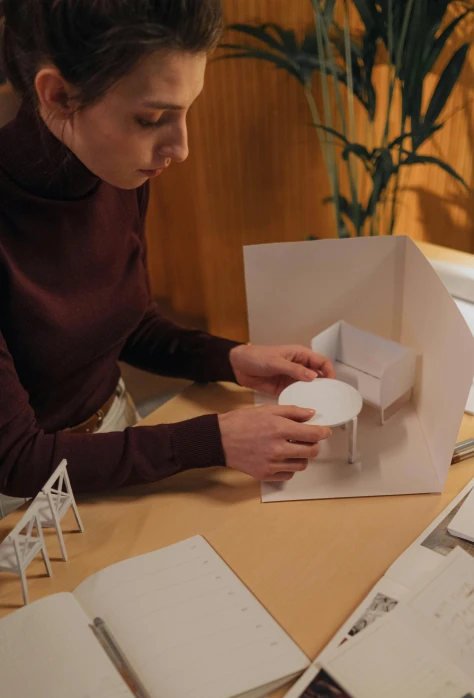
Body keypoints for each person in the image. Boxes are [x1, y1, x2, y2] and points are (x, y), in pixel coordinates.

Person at [0, 0, 334, 513]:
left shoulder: (116, 171)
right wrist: (213, 440)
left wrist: (228, 358)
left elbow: (125, 322)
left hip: (119, 437)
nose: (180, 148)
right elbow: (17, 459)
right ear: (59, 95)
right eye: (151, 118)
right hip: (24, 496)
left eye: (186, 111)